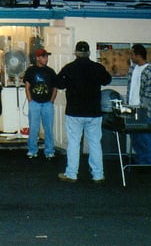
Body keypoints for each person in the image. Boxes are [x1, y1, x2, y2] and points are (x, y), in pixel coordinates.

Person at [56, 41, 112, 183]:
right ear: (89, 53)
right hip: (93, 112)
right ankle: (98, 175)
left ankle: (72, 174)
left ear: (75, 53)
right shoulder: (97, 68)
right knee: (95, 143)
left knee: (74, 143)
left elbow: (59, 84)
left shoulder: (69, 68)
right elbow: (107, 80)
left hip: (74, 112)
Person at [126, 43, 151, 164]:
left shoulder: (150, 72)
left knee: (144, 136)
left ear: (138, 55)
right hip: (130, 108)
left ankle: (148, 162)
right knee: (134, 137)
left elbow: (148, 94)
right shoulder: (132, 69)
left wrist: (142, 112)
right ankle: (140, 160)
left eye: (132, 54)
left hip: (143, 110)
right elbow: (130, 88)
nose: (131, 56)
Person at [24, 48, 57, 159]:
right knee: (34, 128)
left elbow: (55, 88)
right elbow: (27, 87)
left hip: (47, 104)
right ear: (38, 58)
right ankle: (32, 150)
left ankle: (49, 151)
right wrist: (30, 101)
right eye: (44, 56)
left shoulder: (51, 71)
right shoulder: (30, 71)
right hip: (35, 104)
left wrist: (51, 102)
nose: (46, 59)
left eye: (47, 56)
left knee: (48, 129)